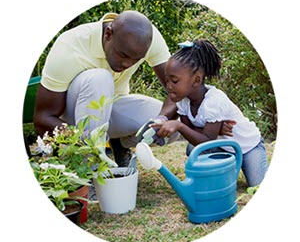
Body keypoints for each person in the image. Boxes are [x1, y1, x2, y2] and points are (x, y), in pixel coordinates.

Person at [33, 10, 232, 168]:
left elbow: (177, 91)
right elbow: (43, 118)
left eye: (136, 59)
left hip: (112, 110)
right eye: (123, 55)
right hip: (75, 119)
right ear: (108, 34)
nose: (128, 64)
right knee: (99, 78)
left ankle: (120, 145)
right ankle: (91, 166)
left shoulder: (148, 38)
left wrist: (175, 119)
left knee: (169, 124)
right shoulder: (70, 46)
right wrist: (79, 145)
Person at [149, 39, 268, 187]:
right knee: (193, 149)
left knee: (258, 185)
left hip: (248, 147)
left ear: (196, 80)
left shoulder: (214, 101)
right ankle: (229, 167)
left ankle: (243, 165)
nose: (168, 86)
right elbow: (192, 133)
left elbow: (206, 140)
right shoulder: (184, 101)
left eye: (174, 81)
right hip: (224, 147)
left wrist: (178, 125)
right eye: (167, 80)